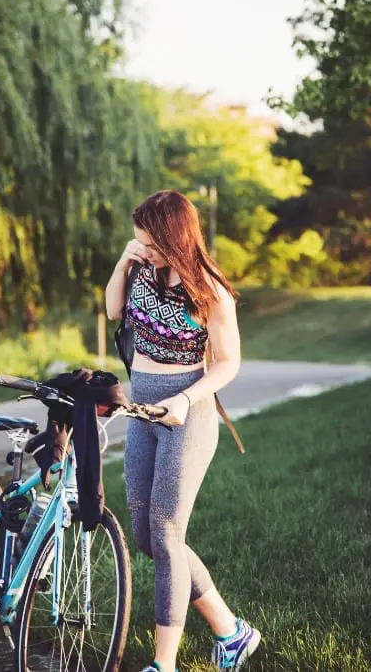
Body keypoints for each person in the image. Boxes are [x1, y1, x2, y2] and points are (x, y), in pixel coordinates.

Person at [105, 190, 261, 672]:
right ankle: (231, 631)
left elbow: (229, 363)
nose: (143, 250)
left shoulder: (209, 287)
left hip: (185, 415)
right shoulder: (141, 269)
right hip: (143, 411)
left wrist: (186, 398)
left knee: (167, 535)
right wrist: (123, 263)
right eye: (138, 243)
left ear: (174, 239)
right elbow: (114, 312)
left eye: (150, 245)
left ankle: (163, 664)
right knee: (146, 537)